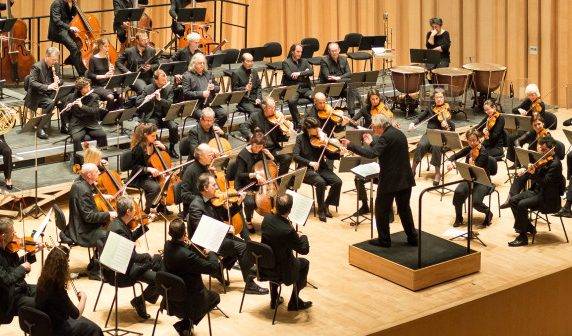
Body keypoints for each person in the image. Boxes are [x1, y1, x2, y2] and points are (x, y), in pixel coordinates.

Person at [341, 114, 418, 247]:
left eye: (374, 126)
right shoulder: (398, 133)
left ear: (379, 126)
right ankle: (413, 238)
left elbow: (372, 154)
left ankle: (384, 240)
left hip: (390, 180)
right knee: (404, 209)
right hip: (405, 178)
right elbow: (385, 149)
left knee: (381, 209)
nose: (372, 128)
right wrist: (371, 142)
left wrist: (350, 145)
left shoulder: (385, 137)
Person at [187, 173, 268, 294]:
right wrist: (224, 229)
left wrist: (237, 203)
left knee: (244, 245)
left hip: (217, 236)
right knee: (243, 248)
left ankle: (219, 269)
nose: (217, 188)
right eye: (214, 185)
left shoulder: (214, 200)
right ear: (205, 188)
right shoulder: (196, 205)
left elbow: (224, 215)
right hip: (205, 242)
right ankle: (249, 285)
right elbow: (201, 229)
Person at [100, 196, 162, 319]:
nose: (136, 211)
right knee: (158, 266)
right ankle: (140, 301)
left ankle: (142, 299)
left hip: (123, 266)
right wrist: (148, 255)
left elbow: (129, 240)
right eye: (134, 208)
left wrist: (145, 225)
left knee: (158, 265)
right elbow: (132, 257)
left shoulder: (118, 223)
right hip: (119, 274)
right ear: (128, 212)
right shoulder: (118, 229)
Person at [163, 218, 220, 336]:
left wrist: (186, 247)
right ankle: (186, 323)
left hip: (171, 297)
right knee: (215, 297)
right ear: (184, 234)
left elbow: (181, 258)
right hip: (189, 299)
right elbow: (213, 268)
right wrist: (212, 253)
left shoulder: (167, 246)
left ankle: (186, 324)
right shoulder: (188, 256)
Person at [507, 136, 565, 246]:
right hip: (537, 191)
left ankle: (523, 237)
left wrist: (533, 174)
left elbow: (545, 183)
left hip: (548, 197)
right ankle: (528, 227)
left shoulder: (556, 164)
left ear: (552, 149)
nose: (542, 152)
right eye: (540, 149)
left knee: (522, 205)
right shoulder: (543, 160)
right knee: (513, 200)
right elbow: (536, 175)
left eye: (544, 150)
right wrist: (526, 171)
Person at [63, 163, 117, 279]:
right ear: (89, 175)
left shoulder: (79, 184)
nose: (99, 173)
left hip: (77, 225)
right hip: (82, 231)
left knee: (106, 230)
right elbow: (89, 217)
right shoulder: (84, 190)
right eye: (97, 172)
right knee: (107, 235)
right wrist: (108, 214)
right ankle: (97, 270)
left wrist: (97, 194)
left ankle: (95, 264)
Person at [35, 246, 103, 336]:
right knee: (95, 330)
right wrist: (83, 298)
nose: (68, 264)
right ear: (63, 266)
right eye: (67, 262)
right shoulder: (57, 289)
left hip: (44, 324)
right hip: (57, 329)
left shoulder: (42, 279)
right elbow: (76, 314)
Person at [261, 194, 312, 311]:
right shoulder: (288, 230)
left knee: (273, 256)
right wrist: (303, 236)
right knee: (304, 263)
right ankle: (294, 302)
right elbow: (304, 250)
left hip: (265, 265)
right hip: (282, 269)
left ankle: (274, 299)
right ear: (290, 210)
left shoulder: (267, 218)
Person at [293, 117, 342, 222]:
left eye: (318, 128)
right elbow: (295, 156)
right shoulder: (300, 138)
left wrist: (339, 154)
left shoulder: (320, 139)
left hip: (321, 167)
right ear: (307, 129)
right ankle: (320, 210)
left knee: (337, 182)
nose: (318, 130)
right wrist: (310, 162)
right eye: (315, 128)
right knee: (320, 182)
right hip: (306, 169)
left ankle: (326, 205)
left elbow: (329, 155)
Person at [445, 129, 494, 227]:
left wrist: (467, 165)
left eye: (474, 140)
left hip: (482, 181)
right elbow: (456, 155)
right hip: (470, 179)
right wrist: (450, 161)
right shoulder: (469, 149)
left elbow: (476, 169)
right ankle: (459, 217)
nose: (472, 143)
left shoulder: (483, 152)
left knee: (475, 202)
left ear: (478, 139)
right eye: (470, 140)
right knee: (458, 193)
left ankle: (488, 213)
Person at [409, 91, 455, 185]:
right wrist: (413, 123)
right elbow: (421, 116)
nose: (439, 99)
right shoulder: (431, 108)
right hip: (429, 133)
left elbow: (451, 127)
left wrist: (446, 125)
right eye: (437, 97)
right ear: (434, 99)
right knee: (421, 145)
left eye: (441, 97)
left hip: (441, 135)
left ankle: (437, 173)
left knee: (436, 147)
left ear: (444, 98)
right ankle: (413, 169)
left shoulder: (447, 108)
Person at [0, 217, 41, 324]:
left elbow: (15, 265)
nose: (15, 233)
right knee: (42, 304)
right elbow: (6, 280)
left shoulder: (9, 247)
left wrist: (31, 253)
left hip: (21, 288)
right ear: (3, 236)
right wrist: (22, 268)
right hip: (9, 297)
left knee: (48, 291)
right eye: (12, 231)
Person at [239, 97, 293, 176]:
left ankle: (279, 181)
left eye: (274, 107)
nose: (273, 110)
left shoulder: (276, 120)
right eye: (270, 108)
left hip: (273, 149)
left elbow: (279, 138)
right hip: (258, 149)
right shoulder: (255, 116)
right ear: (264, 107)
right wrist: (251, 136)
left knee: (287, 158)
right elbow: (243, 127)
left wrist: (286, 134)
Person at [235, 130, 275, 232]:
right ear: (252, 143)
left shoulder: (261, 151)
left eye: (260, 147)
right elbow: (239, 175)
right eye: (256, 146)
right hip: (245, 184)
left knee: (275, 197)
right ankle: (248, 221)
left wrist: (270, 156)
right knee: (249, 202)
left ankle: (271, 219)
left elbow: (270, 166)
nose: (258, 149)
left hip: (260, 184)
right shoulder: (242, 155)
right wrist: (255, 175)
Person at [136, 69, 180, 158]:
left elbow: (169, 104)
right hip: (152, 116)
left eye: (165, 76)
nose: (165, 78)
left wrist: (160, 100)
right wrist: (147, 99)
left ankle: (171, 148)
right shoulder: (148, 88)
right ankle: (157, 151)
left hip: (165, 116)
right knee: (152, 127)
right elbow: (138, 102)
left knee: (174, 126)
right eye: (163, 77)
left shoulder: (169, 88)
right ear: (156, 80)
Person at [129, 123, 171, 214]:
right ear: (145, 135)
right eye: (152, 136)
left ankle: (161, 206)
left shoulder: (155, 143)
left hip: (156, 174)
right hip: (141, 176)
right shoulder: (138, 149)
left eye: (155, 135)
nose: (155, 137)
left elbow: (165, 156)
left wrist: (164, 147)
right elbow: (135, 167)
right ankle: (148, 209)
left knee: (167, 182)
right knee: (155, 188)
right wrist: (149, 169)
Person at [64, 77, 108, 160]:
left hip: (91, 123)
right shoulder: (71, 97)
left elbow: (94, 111)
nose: (89, 88)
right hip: (77, 124)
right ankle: (79, 163)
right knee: (76, 138)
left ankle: (103, 161)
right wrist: (68, 109)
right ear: (80, 89)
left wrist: (81, 106)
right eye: (86, 87)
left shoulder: (94, 96)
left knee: (102, 135)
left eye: (89, 86)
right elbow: (66, 114)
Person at [24, 47, 63, 139]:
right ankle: (41, 128)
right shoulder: (37, 67)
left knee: (64, 100)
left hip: (49, 93)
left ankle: (65, 125)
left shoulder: (56, 65)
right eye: (53, 60)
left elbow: (61, 79)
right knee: (50, 103)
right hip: (37, 95)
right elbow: (32, 83)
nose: (55, 62)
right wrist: (48, 87)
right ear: (47, 57)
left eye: (56, 60)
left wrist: (58, 81)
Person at [181, 53, 227, 127]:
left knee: (223, 114)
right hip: (196, 106)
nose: (202, 65)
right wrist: (201, 94)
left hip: (210, 103)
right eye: (200, 63)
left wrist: (213, 87)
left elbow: (218, 88)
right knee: (206, 118)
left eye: (203, 63)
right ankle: (210, 133)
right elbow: (186, 93)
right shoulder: (187, 76)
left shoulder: (208, 73)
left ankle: (212, 132)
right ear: (194, 64)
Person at [319, 42, 360, 115]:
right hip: (331, 87)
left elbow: (349, 73)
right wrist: (340, 78)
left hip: (343, 85)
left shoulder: (343, 59)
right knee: (352, 86)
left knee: (350, 90)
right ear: (329, 51)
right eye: (332, 51)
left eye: (336, 50)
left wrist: (339, 77)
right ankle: (362, 110)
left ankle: (352, 114)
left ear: (339, 50)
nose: (334, 52)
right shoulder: (324, 60)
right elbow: (328, 77)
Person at [48, 0, 87, 76]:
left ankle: (71, 59)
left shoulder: (66, 3)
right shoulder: (56, 3)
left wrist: (74, 5)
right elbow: (56, 21)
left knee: (80, 44)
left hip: (66, 29)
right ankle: (82, 74)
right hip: (58, 31)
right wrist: (69, 27)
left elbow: (72, 15)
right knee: (74, 47)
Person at [281, 44, 313, 130]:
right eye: (298, 51)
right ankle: (298, 123)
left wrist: (299, 73)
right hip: (294, 89)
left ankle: (312, 120)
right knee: (291, 102)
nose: (300, 54)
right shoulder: (286, 63)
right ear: (292, 52)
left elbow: (311, 72)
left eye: (301, 52)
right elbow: (290, 75)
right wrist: (305, 73)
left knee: (318, 97)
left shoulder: (305, 61)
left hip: (305, 88)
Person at [85, 38, 123, 112]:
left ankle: (115, 114)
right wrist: (104, 76)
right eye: (105, 46)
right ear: (100, 47)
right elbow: (90, 74)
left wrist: (111, 70)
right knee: (111, 97)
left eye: (108, 46)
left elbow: (109, 72)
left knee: (121, 96)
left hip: (108, 84)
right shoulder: (93, 59)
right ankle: (106, 117)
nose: (107, 48)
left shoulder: (107, 57)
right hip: (97, 86)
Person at [179, 143, 216, 217]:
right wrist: (204, 198)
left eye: (212, 155)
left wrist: (212, 175)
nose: (212, 157)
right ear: (200, 156)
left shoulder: (206, 167)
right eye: (209, 155)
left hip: (207, 203)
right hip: (195, 209)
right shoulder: (190, 171)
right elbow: (184, 195)